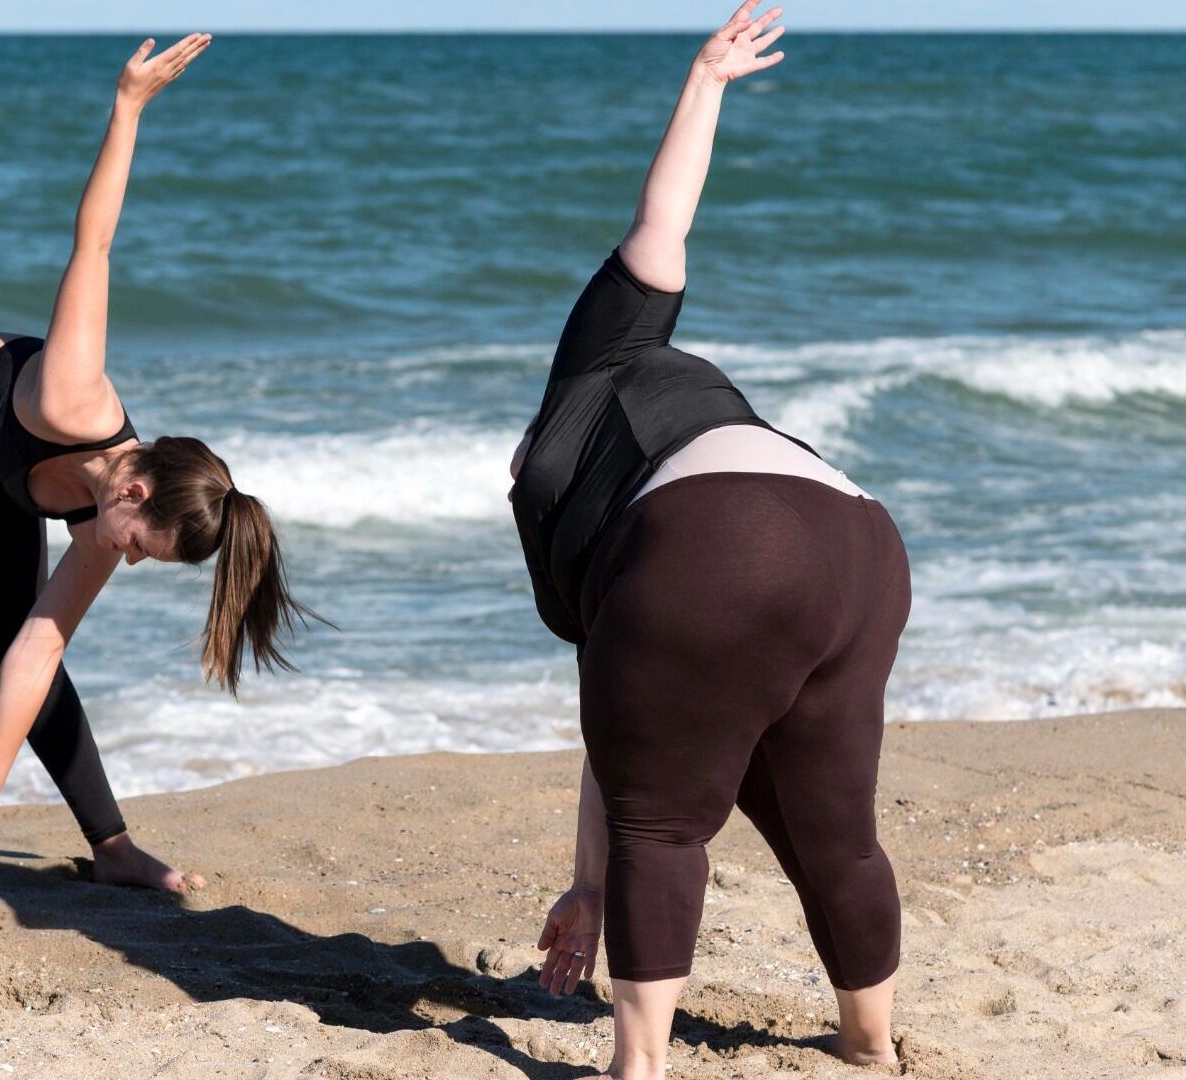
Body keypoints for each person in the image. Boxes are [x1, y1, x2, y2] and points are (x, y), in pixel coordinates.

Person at [0, 34, 314, 916]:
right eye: (142, 546)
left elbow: (36, 652)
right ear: (133, 490)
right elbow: (95, 243)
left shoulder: (102, 521)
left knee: (22, 640)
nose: (127, 559)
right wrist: (127, 108)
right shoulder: (73, 398)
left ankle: (112, 846)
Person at [509, 6, 910, 1074]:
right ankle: (869, 1044)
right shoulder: (616, 411)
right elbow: (619, 739)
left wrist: (704, 83)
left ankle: (639, 1066)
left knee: (663, 829)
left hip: (721, 540)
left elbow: (662, 219)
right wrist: (587, 885)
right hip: (859, 542)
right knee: (836, 834)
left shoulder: (597, 361)